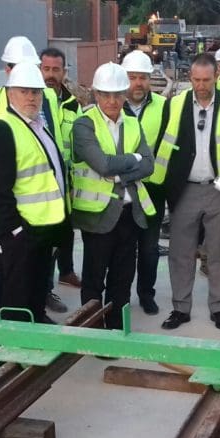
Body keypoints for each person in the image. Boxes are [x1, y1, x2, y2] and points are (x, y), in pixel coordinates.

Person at [150, 53, 220, 330]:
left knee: (219, 252)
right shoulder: (176, 104)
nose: (201, 86)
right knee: (181, 252)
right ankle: (181, 308)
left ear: (216, 77)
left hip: (219, 189)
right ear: (190, 78)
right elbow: (165, 145)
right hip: (185, 189)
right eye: (196, 80)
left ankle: (219, 307)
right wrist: (164, 187)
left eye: (206, 80)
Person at [0, 36, 67, 316]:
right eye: (24, 91)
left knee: (35, 291)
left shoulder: (37, 125)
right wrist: (15, 230)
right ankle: (11, 340)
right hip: (21, 231)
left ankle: (36, 322)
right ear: (10, 93)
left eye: (35, 92)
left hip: (41, 227)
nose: (31, 97)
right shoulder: (4, 129)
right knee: (15, 296)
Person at [71, 63, 156, 330]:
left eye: (118, 94)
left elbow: (149, 165)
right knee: (94, 280)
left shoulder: (132, 123)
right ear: (96, 94)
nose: (112, 100)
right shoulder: (84, 124)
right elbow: (103, 165)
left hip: (129, 215)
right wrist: (133, 158)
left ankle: (117, 330)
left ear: (124, 94)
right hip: (98, 217)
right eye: (105, 94)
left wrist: (119, 175)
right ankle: (93, 332)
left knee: (122, 279)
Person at [121, 50, 170, 316]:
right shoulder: (115, 105)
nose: (138, 83)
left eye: (143, 77)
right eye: (132, 77)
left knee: (149, 248)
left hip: (153, 188)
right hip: (124, 189)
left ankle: (146, 294)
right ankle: (121, 295)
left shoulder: (164, 106)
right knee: (125, 247)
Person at [40, 47, 83, 291]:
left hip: (66, 180)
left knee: (66, 230)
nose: (51, 74)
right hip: (42, 181)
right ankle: (45, 288)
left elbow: (77, 143)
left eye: (56, 69)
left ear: (64, 72)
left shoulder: (71, 105)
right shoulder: (35, 102)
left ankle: (66, 272)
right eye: (46, 69)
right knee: (48, 238)